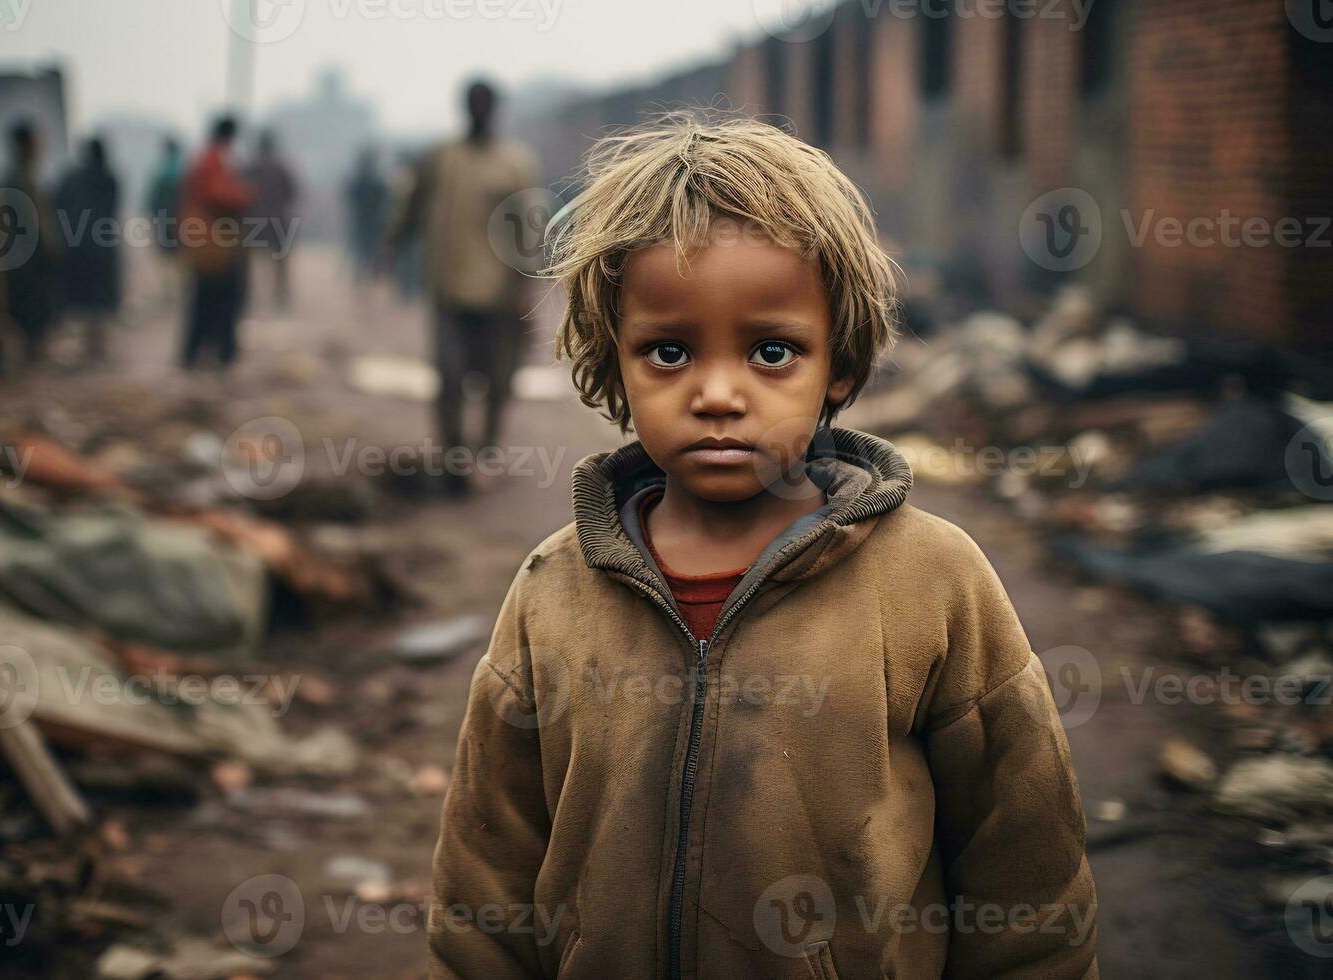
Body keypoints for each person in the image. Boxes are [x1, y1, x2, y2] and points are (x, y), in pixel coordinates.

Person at [428, 115, 1099, 978]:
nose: (716, 394)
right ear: (614, 361)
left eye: (772, 351)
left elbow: (1030, 881)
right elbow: (484, 886)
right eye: (668, 350)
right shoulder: (554, 590)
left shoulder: (934, 583)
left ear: (841, 364)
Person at [383, 79, 538, 492]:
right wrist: (391, 246)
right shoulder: (441, 158)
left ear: (496, 109)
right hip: (449, 287)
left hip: (499, 293)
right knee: (450, 376)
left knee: (497, 378)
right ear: (464, 108)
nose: (480, 112)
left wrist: (526, 284)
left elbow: (528, 227)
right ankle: (453, 455)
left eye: (486, 104)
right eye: (474, 104)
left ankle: (486, 449)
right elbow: (412, 207)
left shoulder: (515, 163)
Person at [179, 115, 253, 368]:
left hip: (211, 241)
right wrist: (243, 195)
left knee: (208, 298)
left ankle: (203, 353)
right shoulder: (213, 160)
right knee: (216, 298)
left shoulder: (209, 158)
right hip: (212, 244)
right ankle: (215, 353)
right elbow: (218, 194)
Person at [55, 137, 121, 361]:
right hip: (101, 248)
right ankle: (96, 347)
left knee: (84, 300)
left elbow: (58, 206)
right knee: (98, 301)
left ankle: (89, 346)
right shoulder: (109, 179)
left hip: (78, 248)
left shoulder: (70, 179)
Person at [0, 119, 57, 363]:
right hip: (26, 259)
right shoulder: (18, 180)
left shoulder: (22, 177)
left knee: (32, 309)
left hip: (25, 257)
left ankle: (31, 354)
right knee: (31, 309)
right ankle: (30, 357)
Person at [245, 130, 298, 310]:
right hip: (278, 220)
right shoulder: (281, 168)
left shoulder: (250, 168)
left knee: (251, 263)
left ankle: (251, 299)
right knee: (280, 263)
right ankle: (280, 298)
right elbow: (292, 193)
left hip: (255, 221)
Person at [144, 136, 183, 308]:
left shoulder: (161, 173)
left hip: (165, 220)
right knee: (181, 257)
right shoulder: (184, 171)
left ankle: (168, 293)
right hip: (184, 221)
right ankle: (179, 292)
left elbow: (153, 201)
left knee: (166, 258)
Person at [344, 146, 387, 281]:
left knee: (362, 252)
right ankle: (368, 277)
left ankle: (363, 277)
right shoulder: (377, 182)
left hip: (362, 221)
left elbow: (349, 198)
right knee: (368, 251)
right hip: (371, 222)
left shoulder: (357, 182)